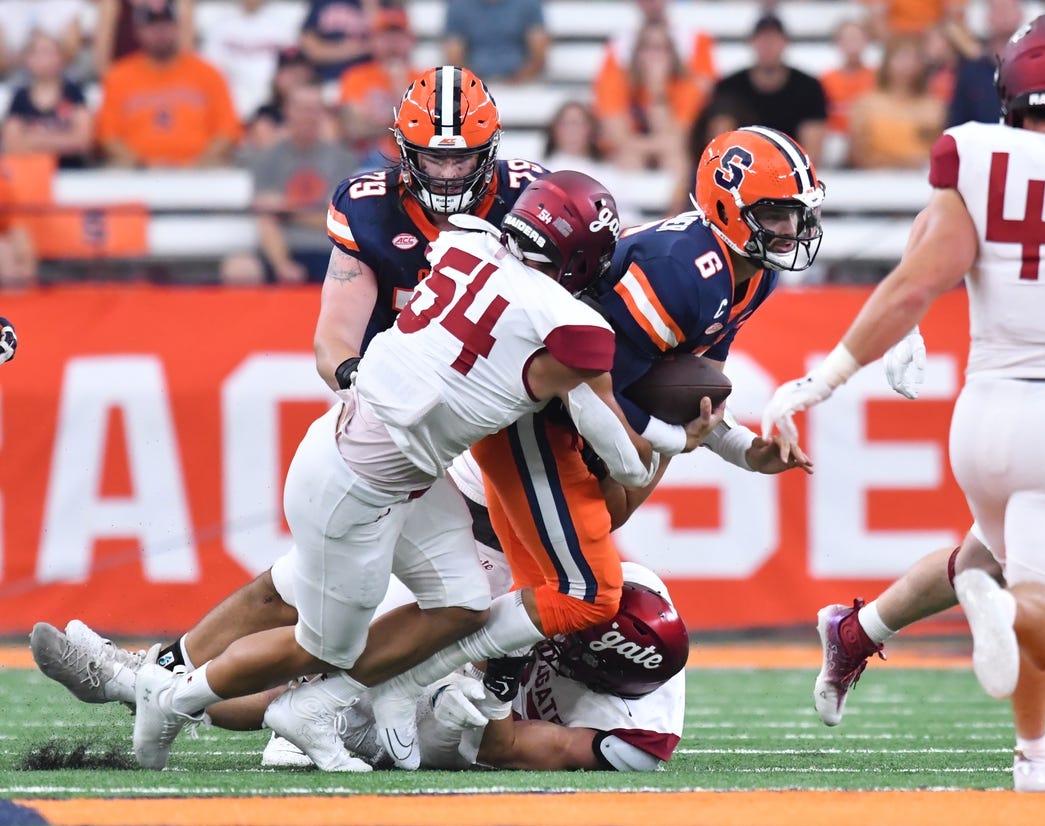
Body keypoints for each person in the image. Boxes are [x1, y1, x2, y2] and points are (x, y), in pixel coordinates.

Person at [130, 168, 660, 772]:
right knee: (324, 645)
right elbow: (624, 460)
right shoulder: (568, 325)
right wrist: (677, 434)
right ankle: (174, 695)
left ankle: (374, 699)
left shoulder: (464, 237)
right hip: (356, 483)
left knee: (464, 604)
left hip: (401, 468)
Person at [365, 124, 821, 769]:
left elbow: (686, 395)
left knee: (568, 581)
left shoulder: (747, 277)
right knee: (583, 592)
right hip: (540, 414)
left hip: (572, 422)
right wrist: (663, 443)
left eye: (796, 213)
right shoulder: (679, 274)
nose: (788, 229)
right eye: (774, 213)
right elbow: (597, 393)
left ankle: (471, 685)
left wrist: (747, 451)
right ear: (725, 207)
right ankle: (391, 685)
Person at [762, 12, 1045, 794]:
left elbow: (921, 273)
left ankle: (1031, 752)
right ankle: (1003, 614)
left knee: (986, 554)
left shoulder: (979, 154)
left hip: (983, 420)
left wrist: (829, 376)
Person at [332, 561, 689, 772]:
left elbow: (501, 749)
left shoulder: (632, 742)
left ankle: (343, 725)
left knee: (444, 729)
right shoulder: (636, 587)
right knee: (381, 604)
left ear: (598, 675)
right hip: (487, 640)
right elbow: (527, 578)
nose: (560, 639)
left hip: (493, 715)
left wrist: (501, 676)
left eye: (572, 642)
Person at [223, 82, 359, 285]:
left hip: (330, 250)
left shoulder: (343, 159)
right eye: (302, 109)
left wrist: (287, 210)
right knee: (239, 268)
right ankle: (283, 269)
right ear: (287, 112)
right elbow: (265, 212)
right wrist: (282, 262)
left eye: (314, 109)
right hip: (278, 248)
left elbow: (338, 219)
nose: (308, 116)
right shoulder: (267, 158)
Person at [95, 0, 241, 167]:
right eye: (152, 26)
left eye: (166, 25)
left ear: (178, 27)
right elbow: (108, 137)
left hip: (200, 172)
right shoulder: (118, 77)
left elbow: (227, 131)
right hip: (137, 172)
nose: (160, 33)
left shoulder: (209, 74)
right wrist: (143, 165)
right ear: (138, 31)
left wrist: (196, 165)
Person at [592, 19, 705, 184]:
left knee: (676, 159)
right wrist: (658, 145)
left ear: (673, 54)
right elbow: (618, 139)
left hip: (667, 153)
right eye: (648, 48)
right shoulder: (616, 81)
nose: (655, 56)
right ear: (636, 53)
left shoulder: (687, 86)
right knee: (629, 159)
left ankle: (674, 209)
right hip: (627, 155)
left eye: (662, 49)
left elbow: (679, 139)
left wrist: (657, 91)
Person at [708, 14, 827, 164]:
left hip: (791, 171)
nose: (768, 46)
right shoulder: (729, 87)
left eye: (774, 40)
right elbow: (719, 140)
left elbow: (812, 148)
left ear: (785, 42)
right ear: (752, 42)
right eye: (763, 40)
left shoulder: (809, 87)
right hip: (741, 170)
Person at [337, 7, 420, 170]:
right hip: (365, 161)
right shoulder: (355, 76)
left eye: (398, 37)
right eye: (385, 37)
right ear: (372, 41)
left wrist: (399, 85)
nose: (392, 43)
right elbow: (353, 127)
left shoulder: (424, 78)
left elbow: (422, 133)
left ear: (410, 41)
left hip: (413, 163)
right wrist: (397, 122)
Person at [846, 35, 945, 169]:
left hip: (921, 178)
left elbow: (939, 151)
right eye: (901, 57)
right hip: (874, 178)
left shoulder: (934, 107)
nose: (907, 64)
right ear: (887, 63)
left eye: (913, 58)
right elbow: (858, 152)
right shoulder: (866, 104)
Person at [1, 30, 94, 170]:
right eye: (36, 52)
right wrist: (62, 139)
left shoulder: (74, 93)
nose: (42, 59)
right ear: (27, 58)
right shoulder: (20, 97)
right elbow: (11, 144)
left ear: (62, 57)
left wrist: (32, 138)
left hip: (71, 174)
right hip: (30, 174)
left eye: (48, 52)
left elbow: (83, 140)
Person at [198, 0, 303, 122]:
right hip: (231, 106)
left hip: (275, 107)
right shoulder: (220, 27)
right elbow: (209, 71)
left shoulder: (284, 24)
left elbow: (295, 68)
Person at [945, 0, 1024, 128]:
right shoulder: (970, 72)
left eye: (1009, 7)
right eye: (997, 9)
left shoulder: (1035, 70)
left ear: (1020, 14)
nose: (1004, 14)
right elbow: (956, 124)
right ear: (988, 17)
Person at [442, 0, 548, 84]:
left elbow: (538, 53)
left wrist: (519, 79)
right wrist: (476, 82)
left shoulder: (528, 3)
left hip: (523, 81)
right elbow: (454, 56)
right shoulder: (459, 5)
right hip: (474, 81)